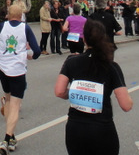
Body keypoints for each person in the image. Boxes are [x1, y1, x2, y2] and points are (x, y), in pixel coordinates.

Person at [54, 20, 133, 155]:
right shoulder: (111, 66)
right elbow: (126, 105)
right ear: (103, 38)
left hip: (75, 128)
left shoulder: (71, 61)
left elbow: (59, 91)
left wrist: (75, 93)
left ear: (84, 39)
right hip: (101, 129)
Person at [0, 3, 41, 154]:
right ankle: (6, 139)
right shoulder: (25, 28)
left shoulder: (1, 26)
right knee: (15, 105)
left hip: (2, 67)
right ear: (21, 15)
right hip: (17, 70)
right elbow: (37, 50)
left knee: (8, 100)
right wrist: (31, 56)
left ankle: (12, 138)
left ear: (8, 15)